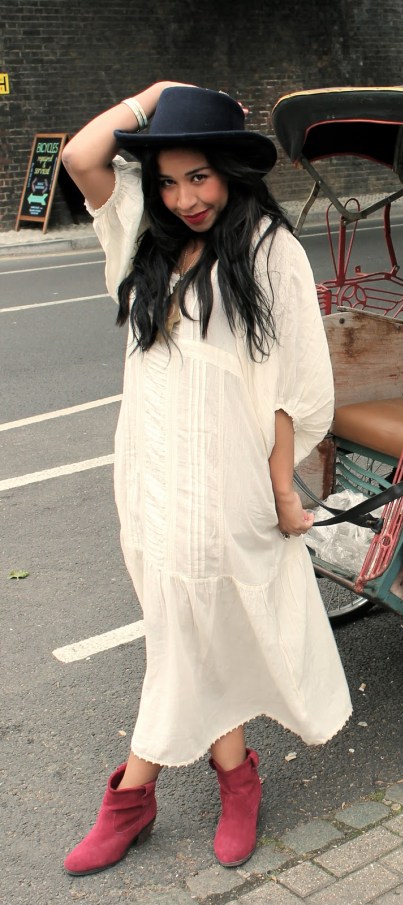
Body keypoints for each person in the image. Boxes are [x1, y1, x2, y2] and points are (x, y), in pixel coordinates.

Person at [60, 82, 351, 876]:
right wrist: (152, 97)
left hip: (228, 479)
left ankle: (133, 791)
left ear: (230, 170)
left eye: (200, 176)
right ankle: (235, 779)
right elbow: (81, 155)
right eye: (168, 178)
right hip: (151, 472)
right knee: (183, 625)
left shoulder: (268, 250)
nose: (184, 197)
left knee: (186, 629)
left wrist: (285, 490)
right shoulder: (140, 234)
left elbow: (296, 379)